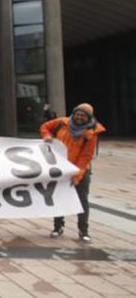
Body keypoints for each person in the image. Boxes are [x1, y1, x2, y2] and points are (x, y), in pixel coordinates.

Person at [41, 103, 105, 243]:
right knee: (59, 198)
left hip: (80, 169)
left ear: (88, 118)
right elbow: (45, 126)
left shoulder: (91, 133)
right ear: (74, 113)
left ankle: (83, 231)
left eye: (83, 116)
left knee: (82, 200)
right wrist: (46, 135)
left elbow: (86, 157)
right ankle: (58, 227)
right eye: (78, 114)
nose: (79, 117)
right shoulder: (61, 123)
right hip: (61, 168)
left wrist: (77, 175)